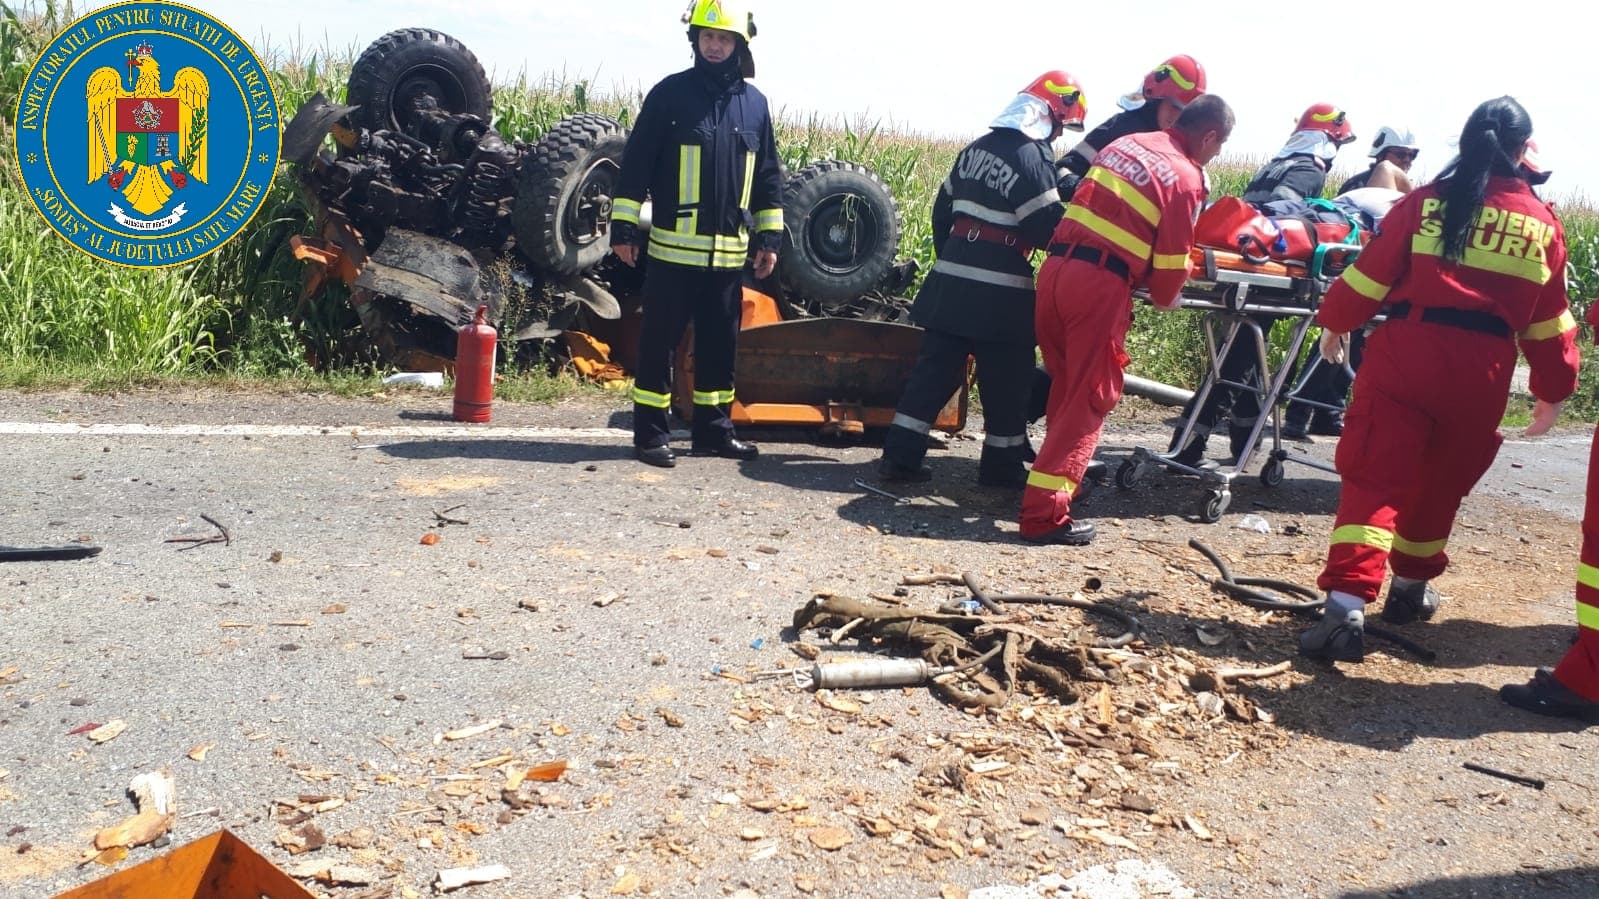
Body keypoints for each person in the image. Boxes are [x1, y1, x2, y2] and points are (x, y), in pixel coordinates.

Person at [1298, 96, 1579, 662]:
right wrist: (1553, 390)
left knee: (1374, 477)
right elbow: (1549, 323)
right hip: (1483, 371)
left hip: (1408, 354)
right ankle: (1409, 589)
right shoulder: (1542, 225)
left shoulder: (1426, 204)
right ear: (1522, 151)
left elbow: (1368, 278)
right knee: (1442, 481)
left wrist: (1335, 323)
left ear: (1466, 142)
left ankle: (1344, 610)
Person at [1020, 95, 1235, 545]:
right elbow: (1171, 269)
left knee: (1067, 387)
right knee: (1089, 396)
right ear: (1210, 137)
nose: (1215, 155)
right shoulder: (1185, 177)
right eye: (1218, 147)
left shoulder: (1127, 144)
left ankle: (1061, 486)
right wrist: (1170, 294)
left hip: (1056, 272)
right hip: (1098, 286)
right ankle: (1044, 514)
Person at [876, 71, 1088, 488]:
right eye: (1061, 125)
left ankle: (899, 459)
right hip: (1001, 295)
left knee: (931, 378)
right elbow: (1046, 228)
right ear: (1049, 114)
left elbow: (942, 212)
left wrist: (955, 260)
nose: (1059, 135)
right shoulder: (1032, 156)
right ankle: (1000, 468)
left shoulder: (974, 149)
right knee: (1008, 381)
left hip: (950, 284)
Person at [609, 0, 785, 469]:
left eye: (723, 38)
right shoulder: (669, 96)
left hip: (727, 260)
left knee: (720, 349)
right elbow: (636, 165)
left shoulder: (756, 105)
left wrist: (769, 240)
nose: (714, 45)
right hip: (672, 255)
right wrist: (623, 227)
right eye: (707, 36)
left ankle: (713, 431)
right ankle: (650, 436)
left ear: (738, 45)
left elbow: (768, 177)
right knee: (658, 347)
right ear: (695, 40)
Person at [1168, 103, 1355, 466]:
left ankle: (1243, 442)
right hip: (1266, 274)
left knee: (1245, 355)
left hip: (1243, 266)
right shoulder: (1307, 170)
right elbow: (1282, 220)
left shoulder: (1276, 164)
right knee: (1237, 361)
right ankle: (1190, 446)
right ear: (1328, 140)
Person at [1280, 126, 1423, 439]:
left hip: (1371, 275)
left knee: (1354, 350)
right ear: (1382, 153)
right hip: (1353, 272)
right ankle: (1298, 413)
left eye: (1412, 156)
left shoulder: (1395, 195)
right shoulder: (1368, 185)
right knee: (1336, 345)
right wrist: (1415, 199)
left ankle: (1328, 414)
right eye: (1401, 154)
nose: (1407, 160)